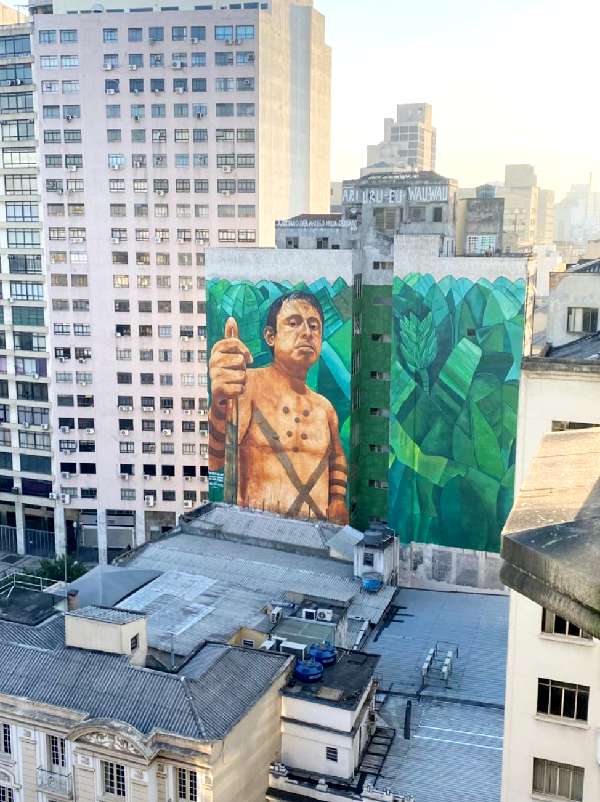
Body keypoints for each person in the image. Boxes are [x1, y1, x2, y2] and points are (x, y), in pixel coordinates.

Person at [208, 290, 349, 524]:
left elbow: (337, 461)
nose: (306, 332)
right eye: (294, 323)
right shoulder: (245, 385)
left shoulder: (325, 409)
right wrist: (220, 402)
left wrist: (337, 501)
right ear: (270, 336)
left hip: (317, 541)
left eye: (314, 326)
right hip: (258, 538)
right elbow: (216, 460)